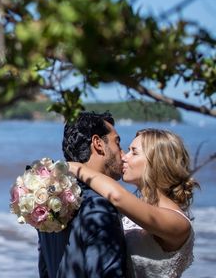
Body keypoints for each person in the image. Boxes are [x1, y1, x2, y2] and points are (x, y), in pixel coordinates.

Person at [68, 128, 198, 278]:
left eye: (134, 153)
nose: (124, 157)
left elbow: (117, 196)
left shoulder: (179, 223)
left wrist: (74, 167)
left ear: (157, 162)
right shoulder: (135, 207)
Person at [38, 111, 128, 278]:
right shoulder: (99, 206)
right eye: (117, 143)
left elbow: (45, 271)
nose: (122, 153)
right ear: (98, 143)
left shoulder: (48, 205)